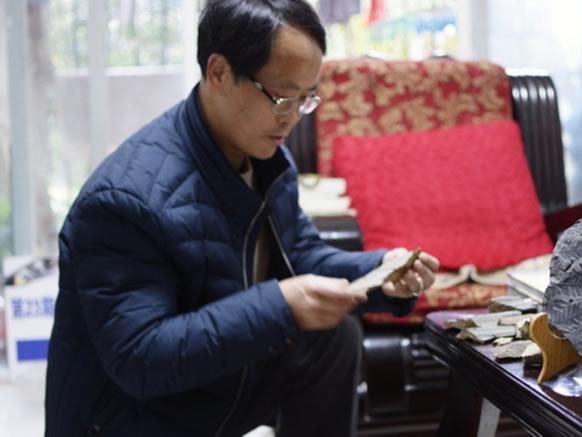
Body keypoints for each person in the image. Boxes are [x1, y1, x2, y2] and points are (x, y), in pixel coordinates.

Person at [44, 1, 439, 436]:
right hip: (133, 418)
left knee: (333, 338)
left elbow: (300, 256)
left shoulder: (264, 157)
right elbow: (140, 358)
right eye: (282, 97)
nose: (293, 117)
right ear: (219, 72)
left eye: (306, 99)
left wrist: (381, 272)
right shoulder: (124, 201)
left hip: (206, 389)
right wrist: (280, 305)